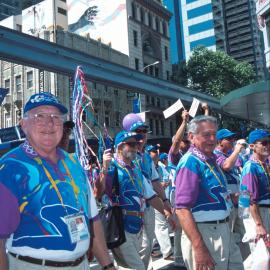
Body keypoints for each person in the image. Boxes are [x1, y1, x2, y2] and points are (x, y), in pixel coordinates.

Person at [0, 92, 115, 270]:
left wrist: (108, 265)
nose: (49, 123)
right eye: (39, 116)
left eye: (56, 117)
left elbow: (93, 221)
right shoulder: (10, 168)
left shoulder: (74, 164)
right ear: (23, 124)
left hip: (82, 264)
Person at [175, 115, 244, 270]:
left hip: (223, 229)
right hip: (206, 233)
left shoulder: (210, 159)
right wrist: (199, 248)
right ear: (191, 137)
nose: (212, 139)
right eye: (206, 135)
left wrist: (229, 197)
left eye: (214, 134)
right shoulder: (191, 162)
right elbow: (181, 209)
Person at [104, 130, 169, 270]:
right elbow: (98, 193)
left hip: (137, 227)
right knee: (137, 267)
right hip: (121, 226)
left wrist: (169, 214)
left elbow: (151, 196)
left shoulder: (136, 169)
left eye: (137, 143)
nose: (136, 147)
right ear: (120, 147)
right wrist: (104, 169)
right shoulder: (112, 167)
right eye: (132, 144)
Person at [122, 113, 174, 270]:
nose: (142, 134)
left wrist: (165, 202)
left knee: (147, 244)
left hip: (150, 207)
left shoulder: (145, 157)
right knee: (135, 248)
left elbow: (155, 182)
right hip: (130, 210)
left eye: (144, 131)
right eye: (138, 131)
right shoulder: (124, 156)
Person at [214, 128, 250, 260]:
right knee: (228, 234)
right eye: (229, 139)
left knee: (242, 233)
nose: (233, 141)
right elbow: (226, 166)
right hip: (227, 202)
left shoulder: (229, 154)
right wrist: (237, 150)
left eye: (233, 138)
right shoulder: (216, 154)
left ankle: (243, 261)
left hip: (237, 199)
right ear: (219, 142)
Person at [241, 130, 270, 255]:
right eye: (264, 143)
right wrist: (259, 224)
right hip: (258, 214)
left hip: (264, 211)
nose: (267, 146)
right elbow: (250, 199)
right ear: (252, 146)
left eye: (269, 142)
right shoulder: (250, 167)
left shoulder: (264, 165)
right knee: (261, 255)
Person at [146, 145, 173, 261]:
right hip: (152, 200)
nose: (156, 153)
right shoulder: (143, 164)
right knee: (160, 226)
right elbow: (150, 184)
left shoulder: (161, 167)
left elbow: (165, 180)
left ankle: (152, 249)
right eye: (153, 152)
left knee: (156, 226)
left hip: (162, 198)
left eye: (156, 152)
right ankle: (167, 252)